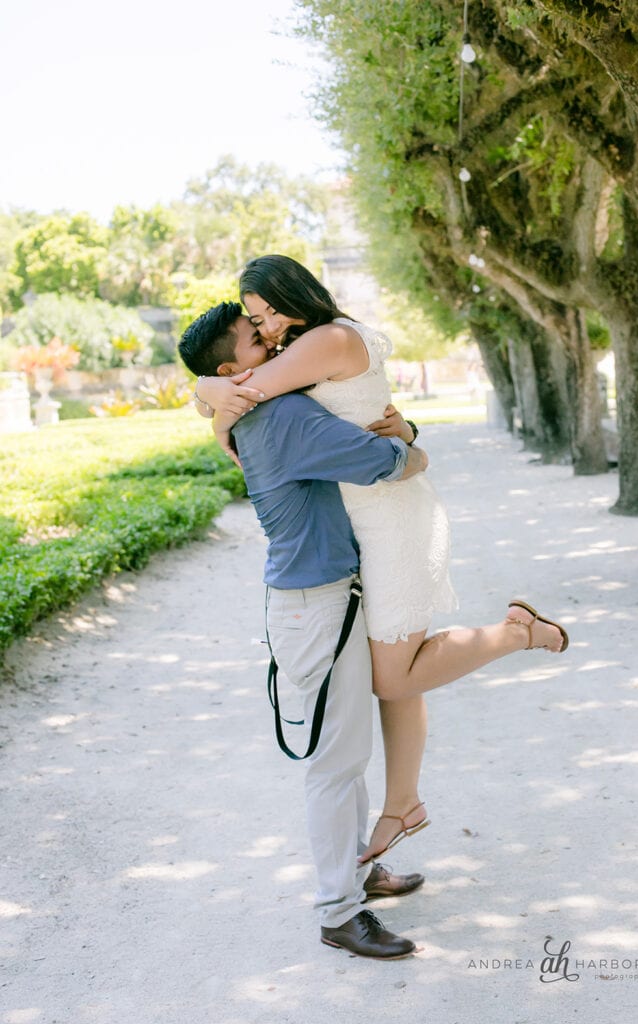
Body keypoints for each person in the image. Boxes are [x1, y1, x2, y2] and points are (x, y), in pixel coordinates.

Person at [193, 257, 569, 862]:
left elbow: (241, 394)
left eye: (267, 314)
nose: (264, 330)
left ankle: (516, 633)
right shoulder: (307, 342)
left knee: (390, 675)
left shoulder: (328, 338)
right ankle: (403, 805)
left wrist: (206, 392)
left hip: (388, 513)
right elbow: (251, 393)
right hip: (364, 514)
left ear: (297, 294)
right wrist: (214, 395)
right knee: (397, 676)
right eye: (256, 322)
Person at [180, 302, 428, 959]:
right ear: (234, 370)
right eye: (256, 338)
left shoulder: (260, 407)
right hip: (316, 605)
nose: (274, 342)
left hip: (311, 598)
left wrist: (206, 396)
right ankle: (337, 912)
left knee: (343, 756)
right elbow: (385, 462)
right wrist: (406, 441)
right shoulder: (282, 415)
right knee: (335, 764)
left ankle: (358, 872)